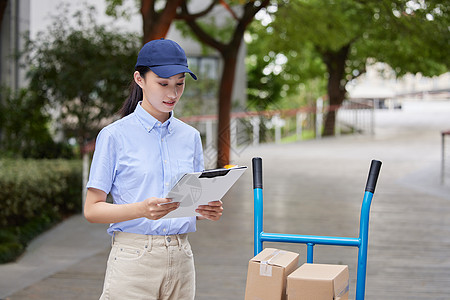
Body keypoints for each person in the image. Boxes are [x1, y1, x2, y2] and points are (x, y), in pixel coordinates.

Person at [84, 38, 223, 300]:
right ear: (139, 79)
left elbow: (189, 202)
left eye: (179, 84)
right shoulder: (114, 136)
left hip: (182, 259)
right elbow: (91, 209)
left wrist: (205, 209)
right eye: (163, 84)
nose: (172, 94)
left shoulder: (190, 137)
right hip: (133, 261)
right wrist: (141, 210)